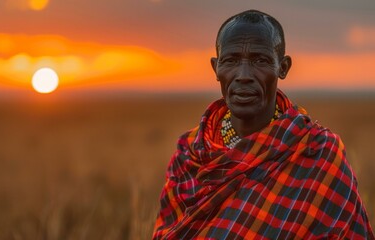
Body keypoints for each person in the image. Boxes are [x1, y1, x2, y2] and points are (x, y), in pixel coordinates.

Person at [153, 10, 374, 239]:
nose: (244, 75)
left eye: (261, 60)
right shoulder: (190, 152)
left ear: (283, 67)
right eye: (231, 61)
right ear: (216, 68)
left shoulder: (319, 153)